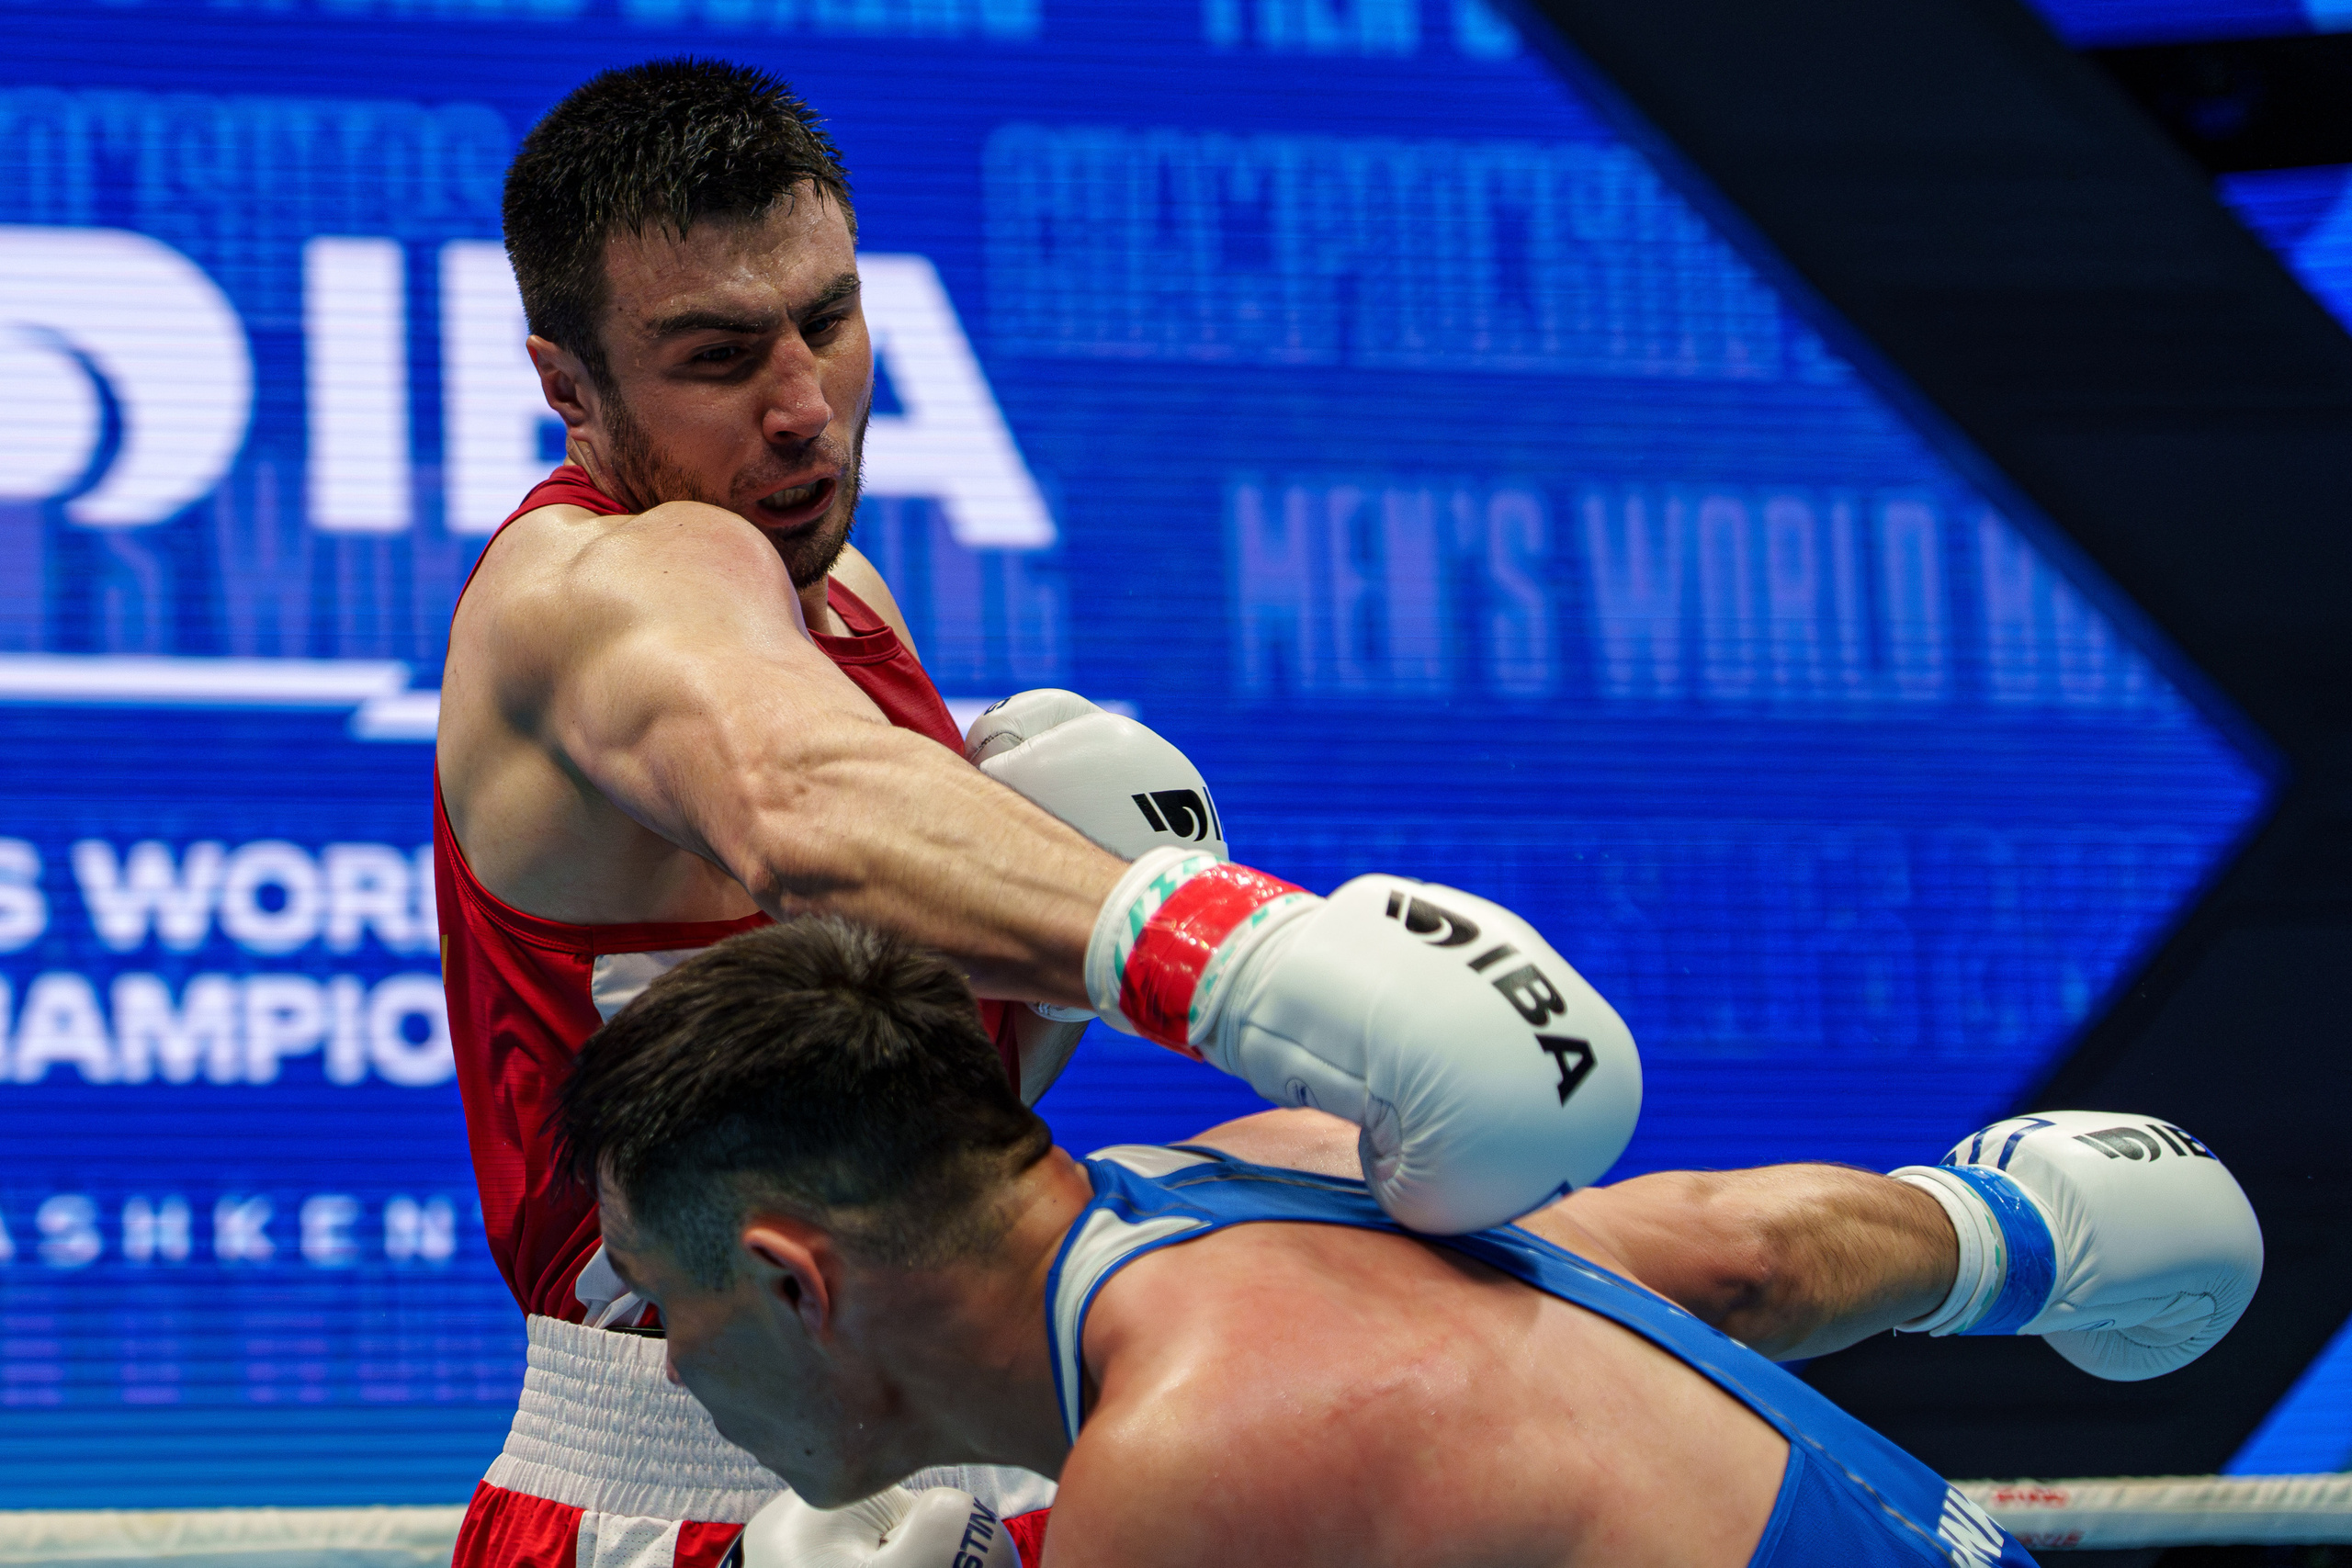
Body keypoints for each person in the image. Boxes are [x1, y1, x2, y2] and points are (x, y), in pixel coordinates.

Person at [438, 56, 1647, 1568]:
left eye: (827, 318)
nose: (806, 407)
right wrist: (1265, 963)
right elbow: (802, 802)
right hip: (676, 1489)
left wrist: (1033, 991)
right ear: (569, 385)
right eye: (718, 356)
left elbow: (860, 1076)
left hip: (974, 1428)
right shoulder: (593, 590)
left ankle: (2017, 1225)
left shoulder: (843, 599)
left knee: (1449, 1251)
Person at [562, 919, 2264, 1568]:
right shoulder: (1267, 1174)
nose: (674, 1363)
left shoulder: (1194, 1465)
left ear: (795, 1279)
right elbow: (1718, 1266)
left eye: (660, 1302)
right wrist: (2009, 1236)